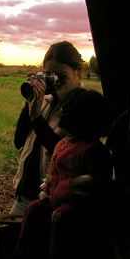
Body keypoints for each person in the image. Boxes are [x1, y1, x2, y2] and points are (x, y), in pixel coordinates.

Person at [8, 88, 113, 259]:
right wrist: (47, 187)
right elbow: (54, 171)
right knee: (34, 208)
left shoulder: (94, 151)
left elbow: (99, 186)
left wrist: (84, 184)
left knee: (62, 218)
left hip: (77, 209)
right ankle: (23, 257)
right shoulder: (63, 144)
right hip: (55, 200)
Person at [10, 41, 85, 215]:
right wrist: (30, 100)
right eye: (50, 76)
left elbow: (64, 154)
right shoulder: (45, 101)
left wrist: (36, 118)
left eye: (61, 76)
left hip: (55, 202)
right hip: (24, 196)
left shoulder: (83, 106)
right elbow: (19, 140)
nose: (55, 83)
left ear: (78, 72)